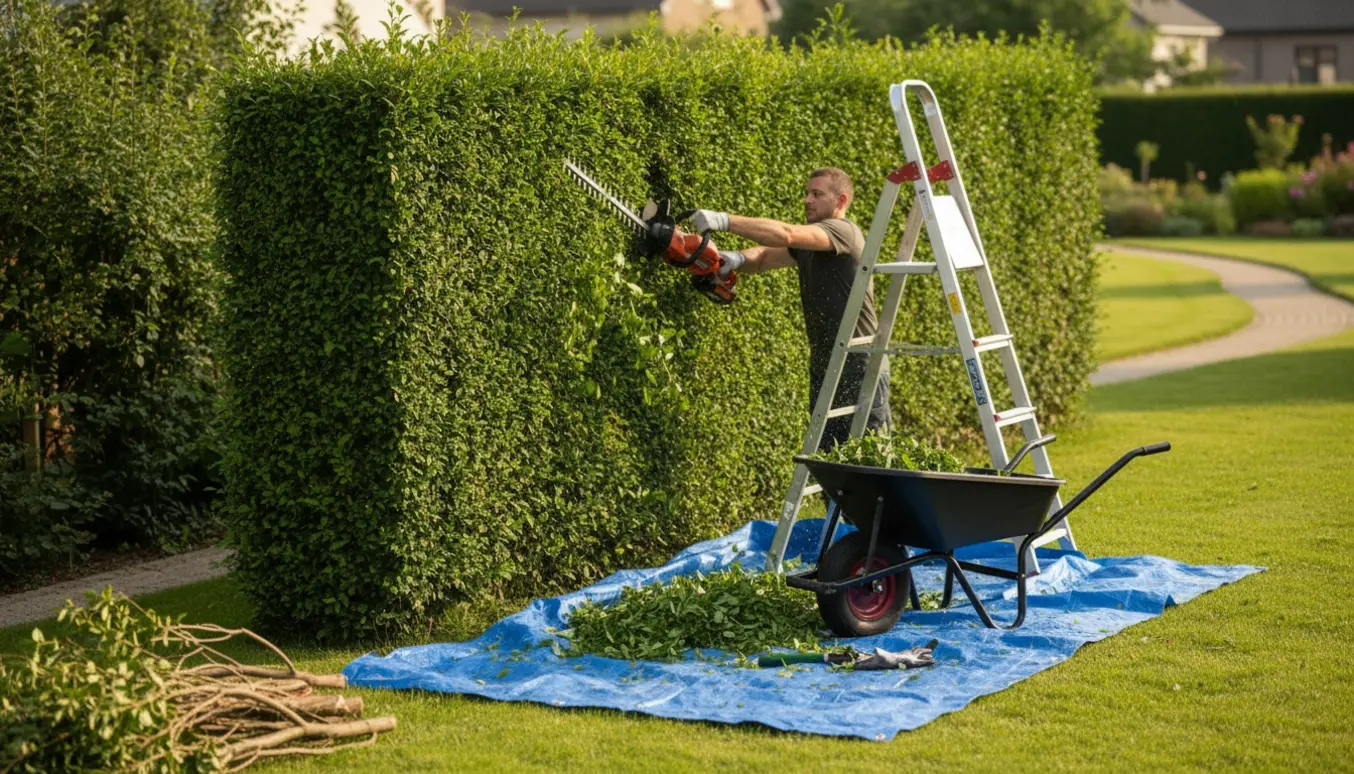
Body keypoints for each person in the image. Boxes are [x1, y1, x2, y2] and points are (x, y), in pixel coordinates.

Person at [691, 167, 891, 450]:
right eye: (807, 193)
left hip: (860, 367)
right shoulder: (812, 243)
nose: (807, 200)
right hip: (827, 366)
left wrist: (723, 220)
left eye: (817, 194)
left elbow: (785, 234)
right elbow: (761, 258)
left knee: (870, 463)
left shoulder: (843, 231)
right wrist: (734, 258)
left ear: (841, 201)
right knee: (829, 460)